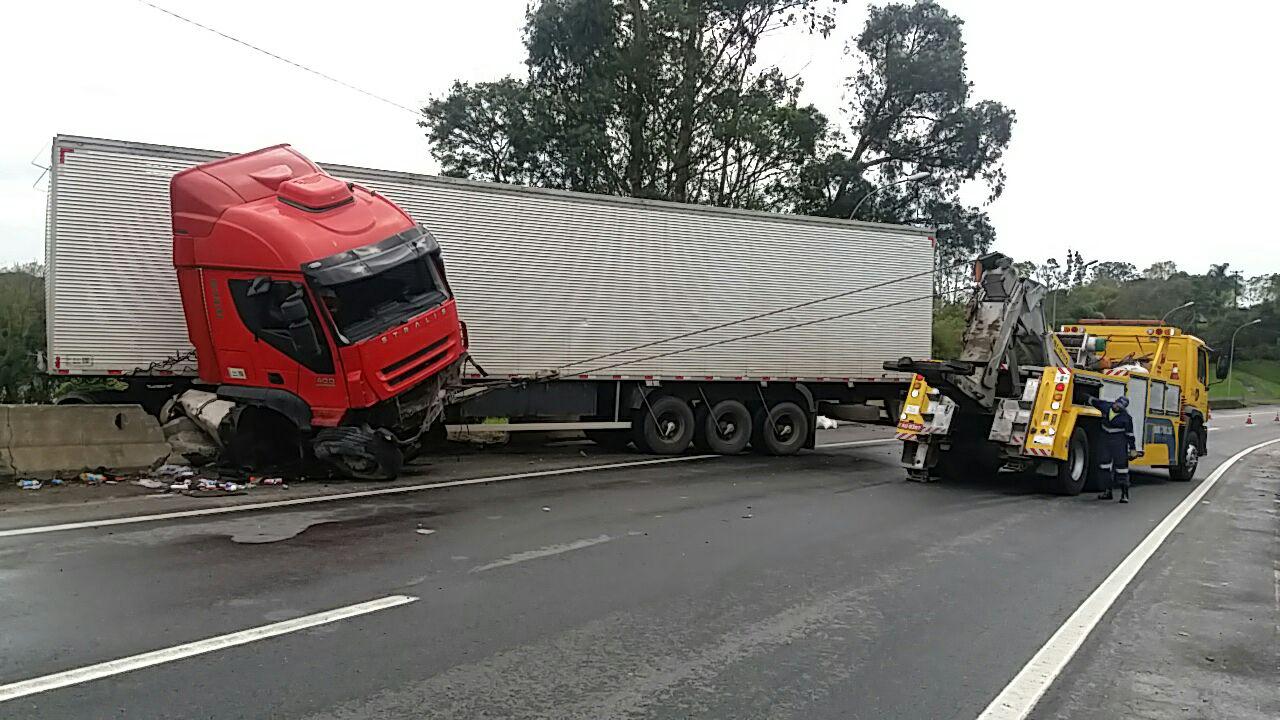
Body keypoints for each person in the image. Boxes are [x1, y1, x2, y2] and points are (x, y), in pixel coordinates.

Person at [1088, 395, 1139, 503]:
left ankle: (1124, 494)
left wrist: (1133, 449)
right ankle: (1107, 491)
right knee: (1103, 467)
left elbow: (1130, 435)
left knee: (1122, 469)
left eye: (1120, 406)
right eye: (1117, 404)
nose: (1117, 407)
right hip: (1105, 441)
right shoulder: (1106, 406)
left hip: (1119, 444)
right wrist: (1083, 395)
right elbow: (1094, 402)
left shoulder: (1126, 418)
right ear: (1115, 402)